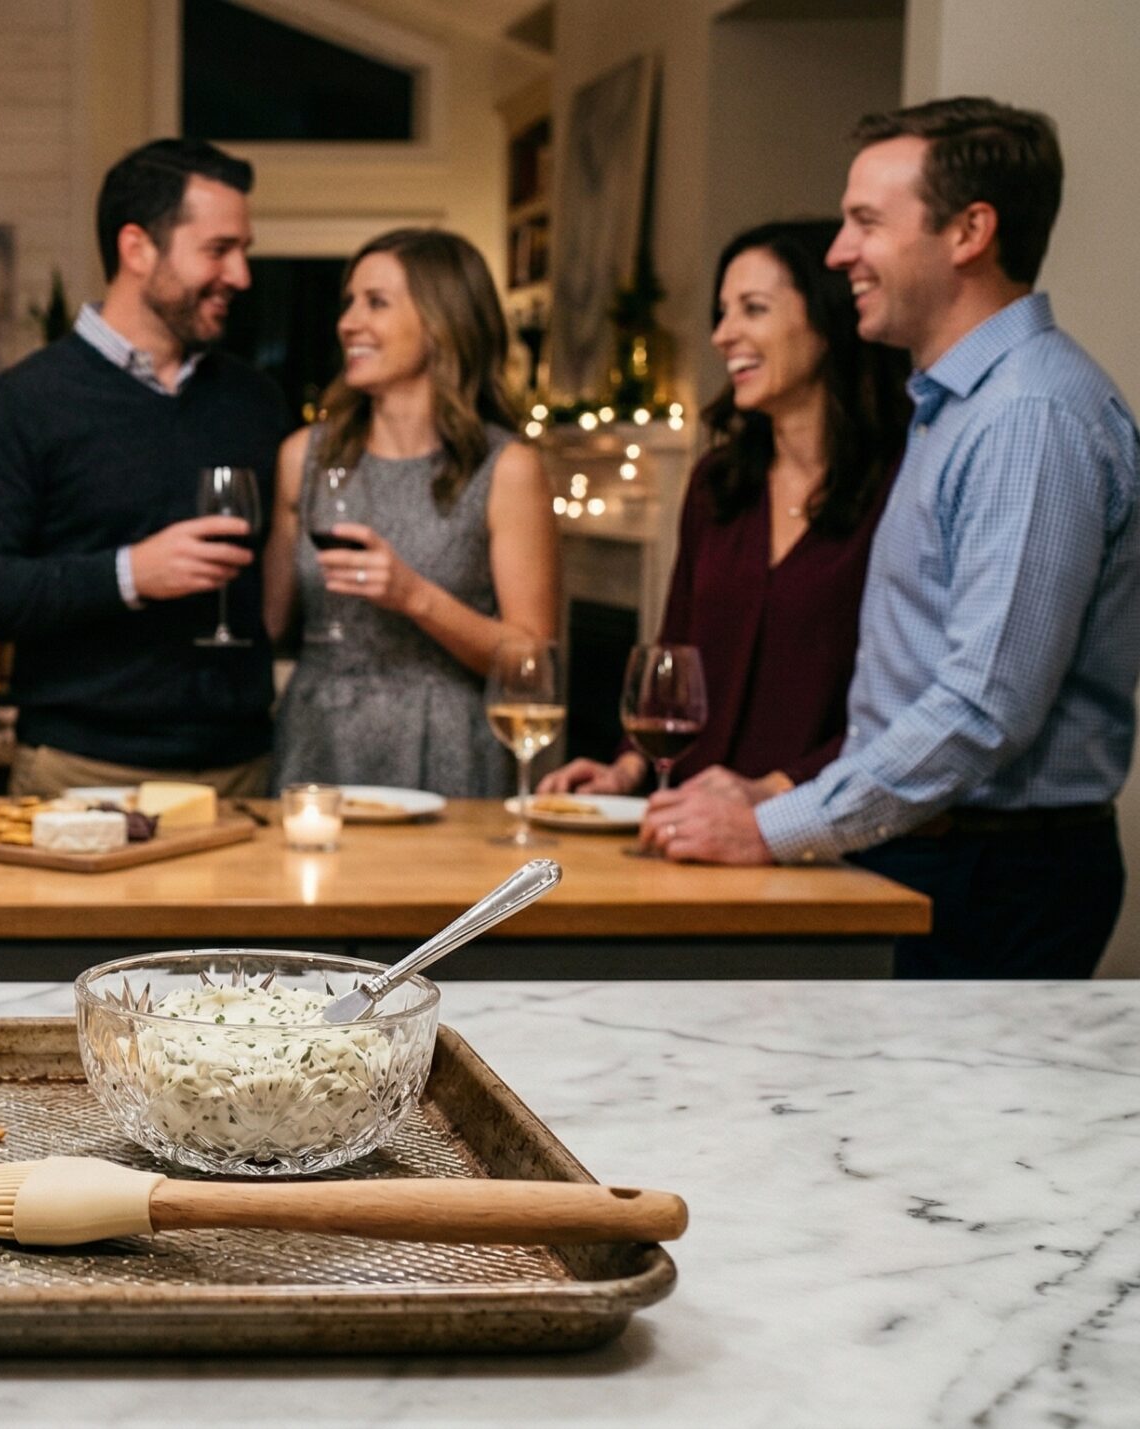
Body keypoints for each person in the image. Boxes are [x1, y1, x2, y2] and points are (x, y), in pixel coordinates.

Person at [643, 98, 1139, 980]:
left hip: (992, 870)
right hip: (928, 847)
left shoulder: (1026, 416)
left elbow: (985, 707)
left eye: (866, 222)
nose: (840, 253)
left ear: (969, 232)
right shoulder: (954, 405)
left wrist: (771, 826)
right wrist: (769, 793)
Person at [0, 139, 286, 798]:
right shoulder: (26, 401)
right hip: (82, 774)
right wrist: (132, 573)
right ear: (137, 249)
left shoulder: (255, 401)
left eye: (243, 249)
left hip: (243, 773)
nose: (241, 275)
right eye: (218, 250)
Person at [545, 220, 909, 799]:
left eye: (753, 309)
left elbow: (903, 704)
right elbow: (673, 655)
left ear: (828, 317)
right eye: (723, 312)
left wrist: (769, 793)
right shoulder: (717, 485)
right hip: (692, 827)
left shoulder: (903, 485)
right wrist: (625, 769)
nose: (723, 334)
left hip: (827, 836)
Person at [266, 229, 558, 798]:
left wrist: (414, 597)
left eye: (376, 303)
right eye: (349, 302)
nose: (348, 322)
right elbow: (271, 624)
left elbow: (533, 662)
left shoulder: (506, 469)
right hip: (316, 742)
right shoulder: (303, 457)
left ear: (442, 321)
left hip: (446, 748)